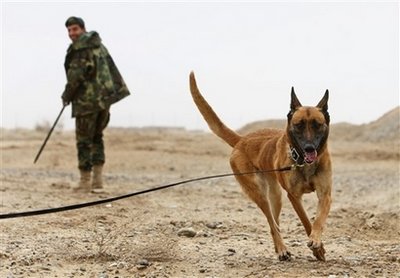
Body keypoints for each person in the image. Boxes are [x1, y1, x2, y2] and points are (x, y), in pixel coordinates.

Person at [62, 16, 130, 193]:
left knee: (84, 141)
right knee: (97, 137)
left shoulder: (81, 48)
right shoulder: (99, 46)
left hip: (87, 102)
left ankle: (85, 182)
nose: (71, 33)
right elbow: (112, 71)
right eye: (69, 30)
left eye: (74, 29)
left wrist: (66, 95)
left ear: (83, 29)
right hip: (103, 101)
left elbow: (75, 76)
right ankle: (98, 183)